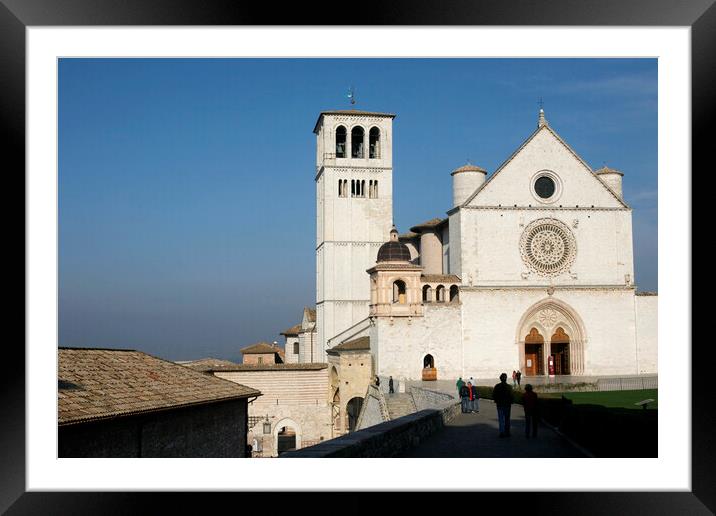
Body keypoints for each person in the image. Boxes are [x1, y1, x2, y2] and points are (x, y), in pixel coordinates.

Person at [493, 372, 514, 437]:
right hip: (507, 405)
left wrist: (496, 400)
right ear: (506, 379)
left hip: (500, 405)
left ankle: (502, 432)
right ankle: (507, 432)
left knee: (501, 419)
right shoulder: (509, 387)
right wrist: (511, 401)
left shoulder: (497, 386)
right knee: (507, 419)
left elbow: (494, 395)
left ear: (500, 379)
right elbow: (511, 396)